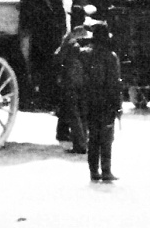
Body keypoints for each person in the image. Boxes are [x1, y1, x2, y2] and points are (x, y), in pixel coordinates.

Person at [78, 23, 122, 182]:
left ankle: (93, 172)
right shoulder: (111, 56)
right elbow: (115, 83)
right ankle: (106, 171)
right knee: (106, 139)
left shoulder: (84, 54)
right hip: (106, 103)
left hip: (89, 102)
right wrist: (118, 106)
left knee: (93, 139)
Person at [54, 22, 90, 153]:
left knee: (73, 113)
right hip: (83, 83)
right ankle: (82, 140)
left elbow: (58, 58)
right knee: (82, 113)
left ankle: (80, 145)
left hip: (70, 82)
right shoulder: (88, 48)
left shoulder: (70, 45)